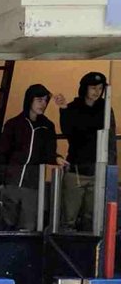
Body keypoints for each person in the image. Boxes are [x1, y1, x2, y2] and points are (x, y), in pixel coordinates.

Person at [0, 84, 65, 231]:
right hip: (11, 181)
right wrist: (0, 181)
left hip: (32, 183)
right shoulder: (14, 124)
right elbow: (2, 153)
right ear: (29, 101)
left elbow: (49, 152)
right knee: (7, 222)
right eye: (39, 100)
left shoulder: (47, 126)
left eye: (45, 101)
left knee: (28, 224)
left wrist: (56, 158)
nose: (43, 104)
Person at [56, 71, 117, 231]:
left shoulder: (105, 108)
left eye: (100, 88)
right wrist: (63, 109)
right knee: (69, 218)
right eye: (93, 88)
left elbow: (110, 140)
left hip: (98, 171)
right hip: (76, 169)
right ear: (84, 89)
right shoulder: (73, 108)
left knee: (93, 219)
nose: (97, 92)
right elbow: (67, 131)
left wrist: (109, 169)